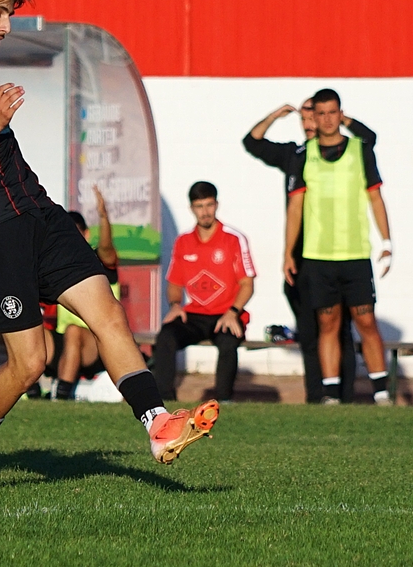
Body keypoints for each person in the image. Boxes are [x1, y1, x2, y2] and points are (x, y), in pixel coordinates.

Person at [0, 0, 219, 491]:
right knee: (30, 361)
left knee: (107, 311)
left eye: (9, 14)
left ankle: (157, 424)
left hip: (36, 212)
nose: (5, 25)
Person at [243, 100, 378, 403]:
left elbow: (370, 138)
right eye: (304, 118)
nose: (309, 123)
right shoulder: (296, 155)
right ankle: (318, 398)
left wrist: (343, 118)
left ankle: (344, 396)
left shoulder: (345, 152)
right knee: (309, 331)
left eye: (314, 116)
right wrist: (274, 115)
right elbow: (252, 142)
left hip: (336, 256)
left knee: (342, 329)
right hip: (303, 260)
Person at [283, 88, 393, 404]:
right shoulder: (303, 155)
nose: (328, 119)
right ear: (313, 117)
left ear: (340, 114)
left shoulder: (360, 150)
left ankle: (381, 392)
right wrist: (288, 252)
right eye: (321, 113)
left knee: (366, 320)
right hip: (318, 256)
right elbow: (295, 208)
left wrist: (387, 241)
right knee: (327, 324)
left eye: (333, 112)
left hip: (355, 254)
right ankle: (330, 395)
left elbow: (375, 197)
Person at [153, 182, 256, 403]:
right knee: (166, 336)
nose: (205, 212)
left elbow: (247, 284)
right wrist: (175, 305)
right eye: (199, 206)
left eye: (209, 205)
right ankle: (165, 403)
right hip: (196, 314)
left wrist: (233, 312)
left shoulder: (234, 239)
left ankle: (224, 401)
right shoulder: (183, 241)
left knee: (228, 342)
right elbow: (174, 283)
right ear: (192, 208)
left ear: (216, 205)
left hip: (226, 313)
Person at [44, 185, 121, 400]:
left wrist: (103, 216)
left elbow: (107, 249)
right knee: (29, 331)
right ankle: (30, 392)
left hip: (97, 343)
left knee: (74, 332)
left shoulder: (98, 262)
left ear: (86, 234)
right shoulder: (55, 265)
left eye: (74, 234)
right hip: (64, 345)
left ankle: (61, 395)